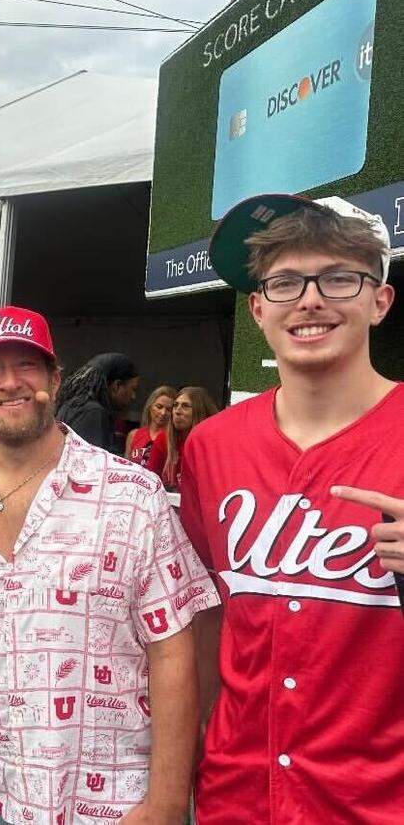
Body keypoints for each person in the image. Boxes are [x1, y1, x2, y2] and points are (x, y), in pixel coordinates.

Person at [0, 305, 217, 824]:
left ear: (54, 381)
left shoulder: (131, 495)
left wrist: (167, 800)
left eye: (26, 366)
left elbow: (174, 650)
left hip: (113, 800)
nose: (10, 383)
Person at [182, 194, 402, 824]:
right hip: (236, 794)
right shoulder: (212, 444)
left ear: (379, 301)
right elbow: (207, 616)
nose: (310, 300)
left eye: (338, 277)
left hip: (378, 801)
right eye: (284, 282)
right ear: (257, 309)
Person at [54, 352, 139, 453]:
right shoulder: (93, 413)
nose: (133, 396)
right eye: (133, 389)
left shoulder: (72, 405)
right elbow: (91, 463)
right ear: (117, 385)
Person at [153, 386, 218, 489]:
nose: (177, 411)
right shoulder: (163, 439)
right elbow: (150, 479)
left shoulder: (213, 444)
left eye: (185, 406)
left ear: (199, 410)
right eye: (175, 405)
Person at [125, 385, 176, 472]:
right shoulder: (133, 435)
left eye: (169, 409)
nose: (163, 413)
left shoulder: (173, 439)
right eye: (159, 407)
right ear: (150, 406)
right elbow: (125, 466)